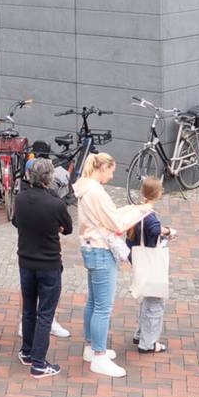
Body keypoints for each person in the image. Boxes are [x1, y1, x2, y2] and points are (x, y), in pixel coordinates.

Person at [71, 152, 145, 378]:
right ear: (101, 169)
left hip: (89, 247)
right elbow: (116, 223)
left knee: (93, 301)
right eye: (111, 171)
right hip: (101, 250)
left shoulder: (85, 188)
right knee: (103, 306)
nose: (112, 176)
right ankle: (99, 356)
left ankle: (91, 347)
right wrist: (139, 211)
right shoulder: (97, 192)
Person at [13, 157, 71, 377]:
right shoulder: (56, 203)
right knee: (45, 314)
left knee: (29, 309)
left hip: (26, 262)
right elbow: (68, 228)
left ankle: (27, 352)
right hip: (49, 264)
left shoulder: (20, 198)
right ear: (50, 178)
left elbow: (16, 222)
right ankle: (39, 363)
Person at [127, 177, 170, 355]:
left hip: (139, 259)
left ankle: (141, 333)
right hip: (152, 261)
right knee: (155, 301)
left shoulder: (137, 211)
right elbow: (154, 230)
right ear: (158, 193)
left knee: (147, 297)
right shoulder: (149, 215)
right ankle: (148, 342)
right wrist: (167, 231)